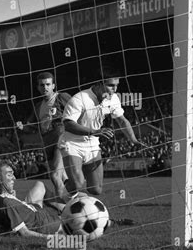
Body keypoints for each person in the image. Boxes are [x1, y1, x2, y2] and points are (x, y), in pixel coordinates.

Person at [59, 67, 146, 197]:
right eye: (111, 85)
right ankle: (64, 193)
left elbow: (122, 121)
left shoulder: (113, 98)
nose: (115, 89)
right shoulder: (80, 98)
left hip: (93, 144)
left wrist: (133, 140)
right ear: (99, 83)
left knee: (96, 190)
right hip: (72, 143)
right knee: (77, 184)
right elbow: (68, 124)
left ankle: (71, 185)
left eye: (116, 85)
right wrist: (94, 131)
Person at [21, 72, 71, 200]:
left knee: (55, 175)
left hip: (60, 136)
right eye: (42, 85)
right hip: (46, 140)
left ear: (53, 85)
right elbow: (31, 126)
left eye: (48, 84)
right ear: (38, 87)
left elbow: (77, 109)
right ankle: (76, 199)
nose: (45, 87)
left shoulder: (61, 97)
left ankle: (63, 209)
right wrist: (22, 126)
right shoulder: (38, 106)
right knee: (61, 177)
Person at [0, 160, 66, 237]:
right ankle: (66, 209)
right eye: (9, 175)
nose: (14, 178)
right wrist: (51, 237)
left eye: (13, 174)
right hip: (43, 222)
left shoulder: (1, 195)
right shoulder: (7, 203)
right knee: (73, 219)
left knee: (40, 185)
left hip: (32, 209)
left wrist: (12, 196)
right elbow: (25, 232)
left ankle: (64, 208)